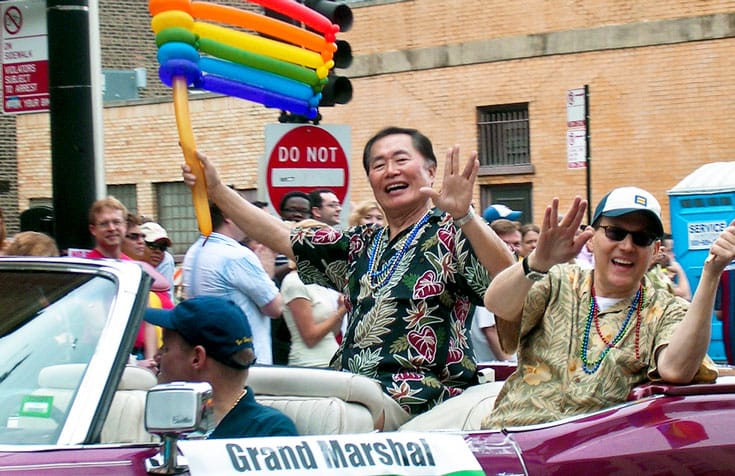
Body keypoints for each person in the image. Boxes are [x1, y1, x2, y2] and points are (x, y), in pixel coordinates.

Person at [183, 126, 515, 427]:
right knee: (250, 395)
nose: (390, 170)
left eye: (401, 159)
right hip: (350, 389)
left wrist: (465, 216)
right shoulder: (361, 242)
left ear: (430, 171)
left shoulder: (453, 233)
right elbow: (285, 237)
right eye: (378, 164)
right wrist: (217, 190)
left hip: (422, 402)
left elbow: (511, 279)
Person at [482, 187, 734, 428]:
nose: (626, 246)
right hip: (508, 439)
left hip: (582, 452)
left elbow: (676, 370)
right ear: (591, 239)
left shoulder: (665, 309)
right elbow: (497, 304)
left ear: (655, 250)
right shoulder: (556, 281)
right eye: (615, 232)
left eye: (642, 238)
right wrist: (537, 261)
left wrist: (711, 273)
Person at [144, 296, 298, 438]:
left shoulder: (269, 432)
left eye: (165, 348)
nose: (157, 356)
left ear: (197, 358)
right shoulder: (167, 419)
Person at [182, 202, 282, 365]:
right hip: (246, 362)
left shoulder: (194, 250)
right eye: (242, 211)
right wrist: (266, 269)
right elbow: (275, 308)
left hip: (213, 358)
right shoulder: (237, 255)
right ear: (227, 215)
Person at [140, 221, 176, 301]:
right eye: (153, 246)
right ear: (140, 244)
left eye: (163, 247)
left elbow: (167, 300)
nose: (158, 251)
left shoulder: (166, 259)